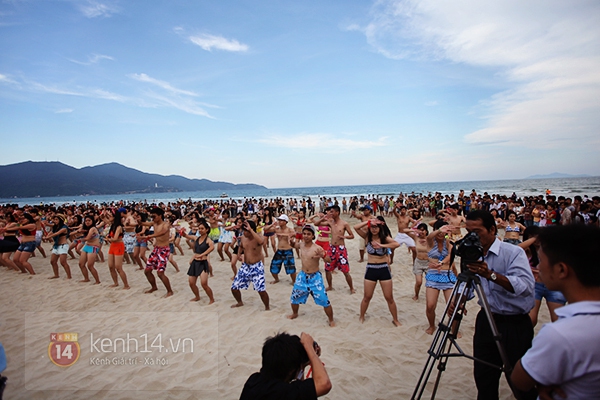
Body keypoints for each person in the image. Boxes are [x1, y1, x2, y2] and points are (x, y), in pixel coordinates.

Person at [451, 210, 536, 400]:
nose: (472, 236)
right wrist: (459, 299)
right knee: (484, 376)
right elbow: (468, 284)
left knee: (520, 380)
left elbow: (525, 287)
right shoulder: (471, 251)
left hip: (515, 323)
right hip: (487, 320)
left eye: (477, 232)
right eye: (469, 231)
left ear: (492, 230)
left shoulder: (513, 252)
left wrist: (491, 275)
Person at [511, 224, 600, 399]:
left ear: (561, 270)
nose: (539, 267)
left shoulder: (560, 334)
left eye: (542, 261)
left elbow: (520, 379)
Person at [239, 332, 331, 399]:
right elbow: (324, 384)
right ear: (291, 371)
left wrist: (302, 365)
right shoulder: (282, 393)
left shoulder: (253, 380)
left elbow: (299, 387)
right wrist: (309, 349)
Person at [353, 216, 401, 326]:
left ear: (380, 228)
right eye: (372, 227)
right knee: (367, 297)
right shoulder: (367, 237)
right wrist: (369, 221)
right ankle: (362, 316)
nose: (374, 229)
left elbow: (396, 244)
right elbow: (356, 227)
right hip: (371, 269)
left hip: (383, 268)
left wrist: (381, 245)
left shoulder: (384, 238)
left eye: (376, 227)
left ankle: (395, 319)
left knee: (389, 298)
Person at [288, 225, 335, 327]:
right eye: (304, 234)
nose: (306, 236)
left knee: (324, 299)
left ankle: (331, 320)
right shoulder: (301, 245)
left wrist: (322, 256)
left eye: (309, 234)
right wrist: (291, 242)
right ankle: (295, 313)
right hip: (303, 275)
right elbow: (294, 245)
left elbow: (329, 260)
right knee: (294, 296)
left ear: (313, 236)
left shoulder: (317, 248)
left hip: (315, 277)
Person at [519, 226, 565, 326]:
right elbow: (518, 248)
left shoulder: (549, 250)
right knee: (531, 319)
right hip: (534, 286)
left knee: (558, 319)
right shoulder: (527, 252)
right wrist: (533, 239)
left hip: (552, 285)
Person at [424, 220, 456, 334]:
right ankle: (432, 326)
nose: (442, 234)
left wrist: (441, 263)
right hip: (433, 275)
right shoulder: (430, 242)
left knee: (452, 306)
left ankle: (453, 327)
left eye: (444, 231)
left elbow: (450, 254)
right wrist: (439, 230)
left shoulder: (448, 241)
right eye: (440, 231)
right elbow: (429, 236)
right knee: (430, 306)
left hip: (447, 274)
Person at [230, 220, 270, 310]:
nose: (245, 233)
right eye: (244, 231)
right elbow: (240, 246)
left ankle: (267, 307)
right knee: (234, 287)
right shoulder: (243, 238)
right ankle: (239, 302)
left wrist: (251, 230)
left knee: (261, 290)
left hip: (257, 266)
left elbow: (261, 242)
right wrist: (239, 255)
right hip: (246, 266)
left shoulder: (258, 237)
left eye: (246, 231)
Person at [136, 207, 174, 297]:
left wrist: (149, 236)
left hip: (164, 250)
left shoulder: (165, 225)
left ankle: (170, 291)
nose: (153, 218)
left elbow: (163, 232)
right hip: (156, 249)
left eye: (154, 216)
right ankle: (154, 287)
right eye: (152, 217)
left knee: (160, 273)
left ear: (160, 216)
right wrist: (138, 221)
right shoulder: (154, 223)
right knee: (147, 271)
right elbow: (143, 223)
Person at [319, 206, 355, 293]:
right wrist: (322, 218)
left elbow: (352, 235)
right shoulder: (330, 222)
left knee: (345, 270)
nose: (330, 213)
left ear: (337, 212)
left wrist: (344, 236)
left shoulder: (344, 224)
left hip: (341, 248)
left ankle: (351, 288)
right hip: (331, 248)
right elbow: (317, 224)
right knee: (327, 268)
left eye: (332, 212)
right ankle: (330, 286)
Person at [181, 218, 215, 304]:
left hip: (203, 263)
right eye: (199, 229)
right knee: (191, 283)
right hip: (195, 263)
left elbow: (212, 247)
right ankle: (197, 296)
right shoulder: (196, 238)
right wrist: (182, 232)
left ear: (207, 230)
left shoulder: (208, 240)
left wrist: (203, 254)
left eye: (202, 228)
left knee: (204, 284)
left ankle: (211, 299)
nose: (200, 230)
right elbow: (186, 236)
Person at [264, 214, 296, 284]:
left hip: (288, 250)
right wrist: (272, 224)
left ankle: (294, 281)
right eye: (279, 220)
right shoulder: (277, 229)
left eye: (281, 220)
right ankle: (276, 279)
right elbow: (265, 229)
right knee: (274, 266)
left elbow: (295, 234)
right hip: (279, 250)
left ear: (285, 222)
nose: (279, 221)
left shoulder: (290, 229)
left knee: (291, 268)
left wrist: (289, 237)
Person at [105, 209, 130, 289]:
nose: (109, 217)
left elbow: (115, 238)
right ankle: (115, 283)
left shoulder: (119, 227)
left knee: (118, 267)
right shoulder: (113, 225)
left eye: (110, 216)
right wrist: (104, 214)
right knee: (111, 266)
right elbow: (105, 219)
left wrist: (107, 239)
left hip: (118, 245)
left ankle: (126, 285)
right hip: (113, 246)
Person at [45, 214, 72, 279]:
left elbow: (57, 233)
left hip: (63, 245)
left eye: (56, 219)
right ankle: (56, 275)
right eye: (54, 219)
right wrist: (47, 236)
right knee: (53, 261)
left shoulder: (64, 227)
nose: (55, 221)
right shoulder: (55, 227)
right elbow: (51, 232)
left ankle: (69, 276)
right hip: (56, 246)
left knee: (63, 262)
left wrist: (48, 237)